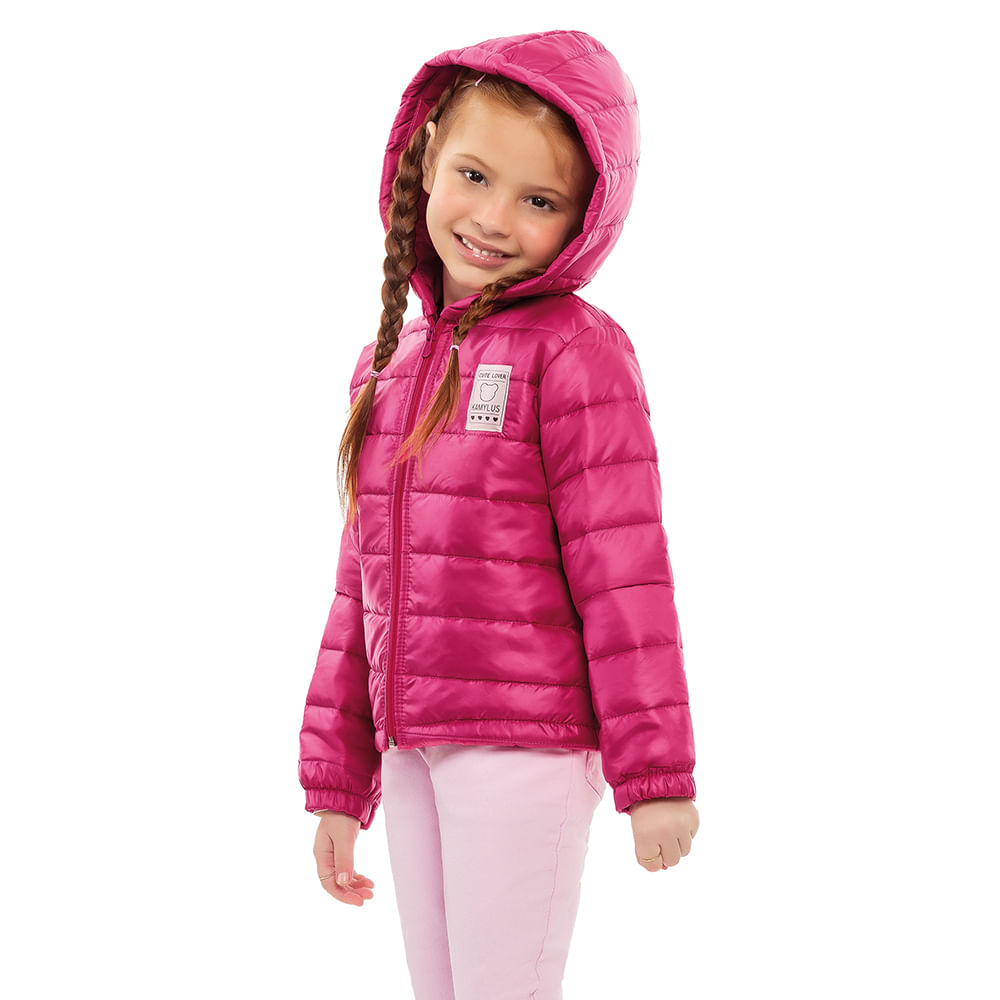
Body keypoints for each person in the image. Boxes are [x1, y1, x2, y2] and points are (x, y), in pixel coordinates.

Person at [298, 29, 700, 1000]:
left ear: (585, 219)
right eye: (474, 176)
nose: (492, 218)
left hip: (526, 743)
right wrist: (338, 783)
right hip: (412, 744)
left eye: (539, 200)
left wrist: (656, 777)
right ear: (427, 158)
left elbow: (624, 571)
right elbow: (359, 590)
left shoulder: (575, 351)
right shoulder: (387, 366)